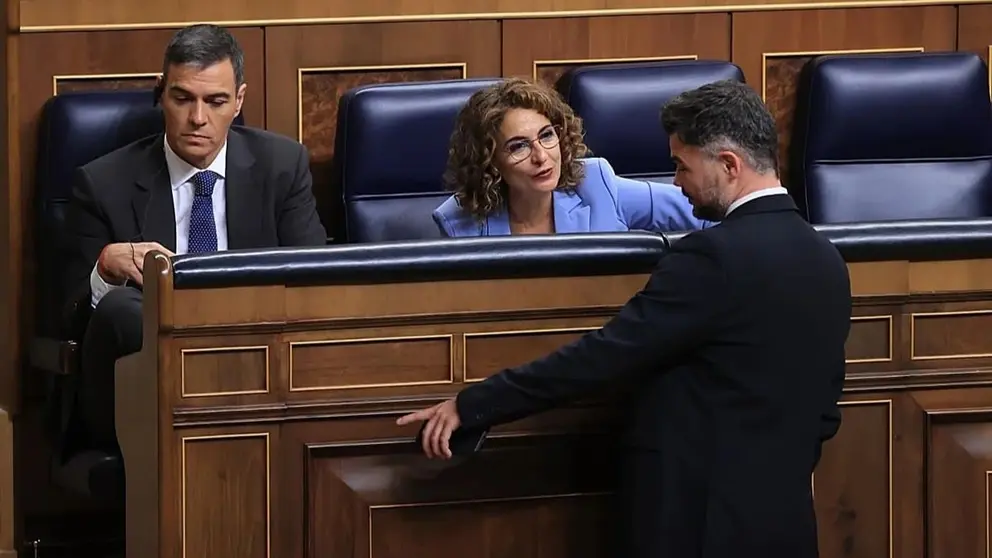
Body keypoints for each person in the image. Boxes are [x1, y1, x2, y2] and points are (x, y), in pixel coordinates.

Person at [399, 80, 852, 558]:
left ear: (729, 166)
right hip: (786, 518)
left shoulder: (709, 258)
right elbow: (826, 412)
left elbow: (606, 355)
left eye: (681, 166)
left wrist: (475, 405)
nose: (676, 182)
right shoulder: (827, 259)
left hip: (700, 526)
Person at [62, 24, 327, 451]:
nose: (197, 118)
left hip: (258, 366)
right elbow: (66, 321)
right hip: (143, 400)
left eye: (216, 101)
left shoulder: (281, 166)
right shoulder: (103, 183)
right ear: (161, 94)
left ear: (239, 100)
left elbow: (317, 284)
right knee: (123, 308)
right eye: (183, 98)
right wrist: (104, 271)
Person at [432, 78, 711, 236]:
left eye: (547, 136)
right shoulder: (459, 222)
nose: (541, 156)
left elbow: (706, 213)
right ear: (489, 161)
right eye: (518, 147)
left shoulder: (596, 185)